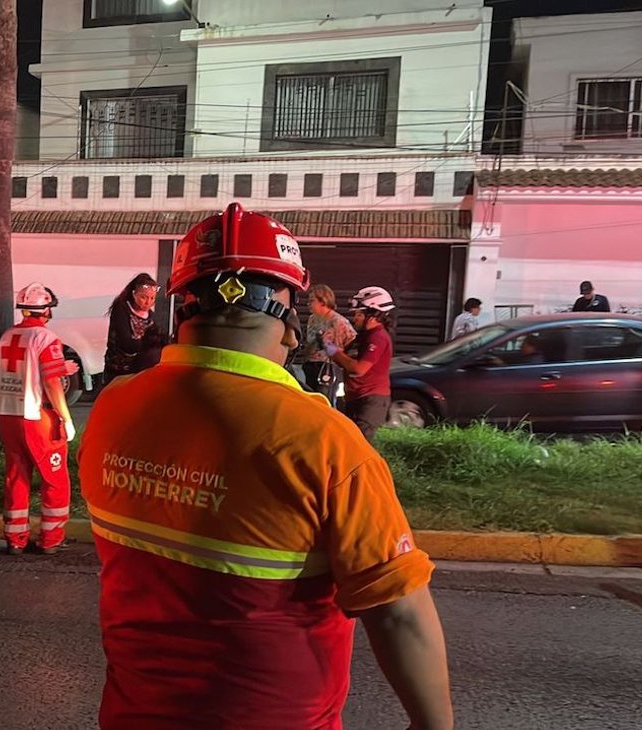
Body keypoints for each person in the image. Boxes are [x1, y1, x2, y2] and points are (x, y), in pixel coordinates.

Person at [78, 204, 451, 730]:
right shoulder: (324, 442)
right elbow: (399, 612)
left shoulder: (114, 408)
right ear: (290, 323)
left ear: (181, 309)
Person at [0, 282, 78, 556]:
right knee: (55, 478)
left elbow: (24, 368)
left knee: (16, 476)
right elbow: (52, 383)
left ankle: (15, 538)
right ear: (45, 311)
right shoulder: (47, 339)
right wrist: (66, 418)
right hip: (36, 414)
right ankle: (51, 538)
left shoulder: (8, 336)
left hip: (8, 413)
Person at [328, 286, 396, 443]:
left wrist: (333, 351)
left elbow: (358, 369)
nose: (355, 318)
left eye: (359, 314)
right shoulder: (364, 336)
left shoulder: (378, 337)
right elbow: (345, 359)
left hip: (370, 401)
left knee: (358, 446)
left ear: (373, 315)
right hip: (355, 398)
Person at [103, 273, 163, 385]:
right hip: (118, 371)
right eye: (143, 297)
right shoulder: (121, 310)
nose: (148, 302)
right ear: (134, 294)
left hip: (141, 371)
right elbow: (126, 344)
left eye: (152, 298)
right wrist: (149, 344)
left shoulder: (152, 317)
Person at [302, 283, 355, 404]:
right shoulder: (312, 319)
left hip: (328, 366)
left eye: (312, 301)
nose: (308, 304)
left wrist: (340, 355)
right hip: (310, 364)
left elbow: (352, 341)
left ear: (323, 301)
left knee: (324, 400)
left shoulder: (338, 321)